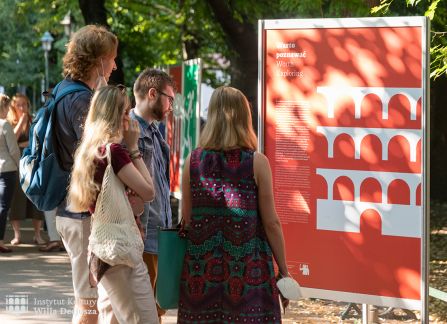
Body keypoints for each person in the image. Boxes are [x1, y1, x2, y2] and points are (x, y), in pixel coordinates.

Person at [177, 86, 290, 323]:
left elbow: (188, 219)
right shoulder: (257, 163)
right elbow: (271, 223)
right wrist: (284, 271)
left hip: (201, 273)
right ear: (244, 117)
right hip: (248, 273)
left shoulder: (192, 161)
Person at [67, 85, 158, 323]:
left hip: (102, 250)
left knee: (111, 319)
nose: (129, 119)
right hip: (121, 253)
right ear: (115, 115)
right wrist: (135, 147)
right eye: (126, 113)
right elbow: (149, 192)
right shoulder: (114, 151)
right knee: (144, 319)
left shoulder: (90, 150)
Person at [53, 25, 118, 323]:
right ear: (98, 60)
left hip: (73, 209)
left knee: (89, 297)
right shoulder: (81, 100)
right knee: (89, 301)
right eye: (112, 58)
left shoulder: (65, 91)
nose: (115, 65)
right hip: (81, 213)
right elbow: (97, 152)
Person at [131, 68, 175, 320]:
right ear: (152, 93)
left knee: (157, 308)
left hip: (160, 235)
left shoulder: (156, 131)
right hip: (143, 236)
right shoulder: (129, 131)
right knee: (143, 312)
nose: (170, 105)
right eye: (169, 98)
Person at [7, 93, 45, 246]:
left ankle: (37, 234)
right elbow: (12, 140)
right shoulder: (9, 122)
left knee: (35, 195)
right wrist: (21, 122)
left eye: (25, 104)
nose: (22, 108)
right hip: (17, 162)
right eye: (19, 105)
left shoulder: (34, 119)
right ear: (13, 107)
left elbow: (39, 139)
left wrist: (26, 143)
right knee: (17, 197)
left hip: (33, 161)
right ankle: (17, 235)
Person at [0, 94, 20, 253]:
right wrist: (20, 166)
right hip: (7, 170)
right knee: (3, 207)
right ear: (4, 107)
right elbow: (13, 150)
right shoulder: (5, 125)